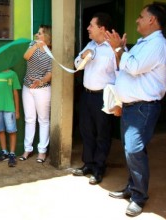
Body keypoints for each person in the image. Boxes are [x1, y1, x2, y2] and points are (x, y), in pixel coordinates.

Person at [105, 3, 166, 217]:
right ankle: (132, 188)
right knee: (130, 151)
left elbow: (132, 67)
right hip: (132, 107)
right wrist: (121, 51)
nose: (137, 20)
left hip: (143, 108)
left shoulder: (157, 44)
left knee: (134, 150)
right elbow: (126, 68)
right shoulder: (144, 43)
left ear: (152, 20)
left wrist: (118, 49)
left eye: (141, 16)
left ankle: (139, 197)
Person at [71, 13, 117, 185]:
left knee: (102, 134)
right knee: (86, 131)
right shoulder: (90, 44)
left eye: (91, 25)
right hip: (87, 96)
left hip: (104, 97)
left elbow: (121, 74)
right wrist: (84, 56)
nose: (88, 28)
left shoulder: (114, 49)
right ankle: (88, 164)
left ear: (102, 29)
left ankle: (99, 168)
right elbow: (76, 64)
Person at [20, 24, 52, 163]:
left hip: (42, 89)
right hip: (27, 87)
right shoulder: (33, 44)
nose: (37, 35)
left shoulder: (52, 51)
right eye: (37, 33)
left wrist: (40, 81)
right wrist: (35, 46)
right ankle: (27, 149)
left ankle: (42, 151)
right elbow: (25, 57)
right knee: (29, 119)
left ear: (47, 36)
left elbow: (51, 73)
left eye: (40, 33)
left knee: (43, 120)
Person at [0, 69, 21, 167]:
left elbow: (15, 93)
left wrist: (17, 110)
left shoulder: (12, 74)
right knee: (0, 130)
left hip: (10, 108)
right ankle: (4, 152)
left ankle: (12, 154)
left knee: (11, 131)